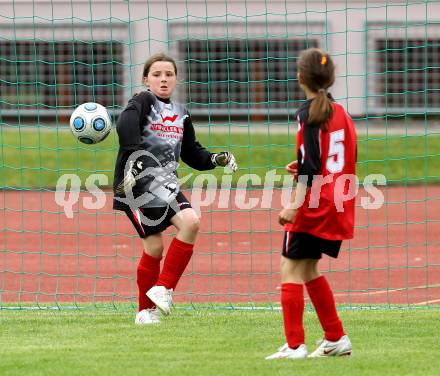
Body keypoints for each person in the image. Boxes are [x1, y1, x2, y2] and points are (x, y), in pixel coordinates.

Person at [113, 53, 238, 324]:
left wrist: (215, 159)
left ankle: (163, 288)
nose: (163, 79)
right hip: (137, 187)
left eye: (169, 74)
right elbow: (124, 125)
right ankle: (145, 312)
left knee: (191, 222)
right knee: (155, 247)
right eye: (156, 74)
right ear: (146, 79)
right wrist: (135, 157)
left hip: (166, 184)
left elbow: (191, 151)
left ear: (176, 79)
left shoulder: (181, 113)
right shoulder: (142, 100)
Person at [266, 48, 357, 359]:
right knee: (308, 269)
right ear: (329, 79)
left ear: (300, 77)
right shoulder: (342, 112)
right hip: (338, 201)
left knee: (288, 268)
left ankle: (294, 346)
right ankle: (336, 337)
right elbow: (335, 158)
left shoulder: (308, 113)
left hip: (314, 202)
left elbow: (311, 165)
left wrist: (293, 204)